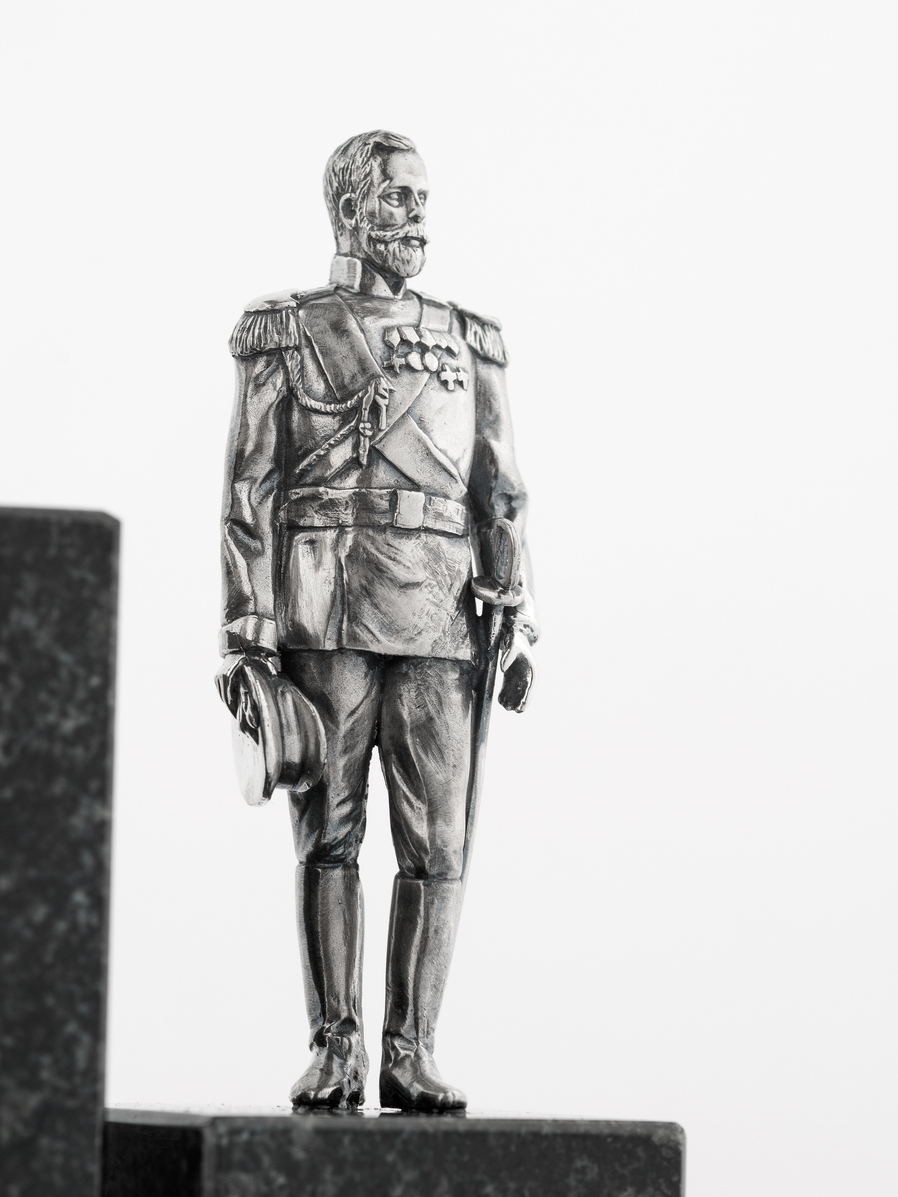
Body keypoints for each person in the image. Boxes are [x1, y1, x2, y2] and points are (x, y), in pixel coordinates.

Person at [217, 130, 538, 1111]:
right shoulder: (286, 331)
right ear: (350, 210)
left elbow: (499, 489)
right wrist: (244, 634)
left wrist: (516, 609)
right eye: (398, 199)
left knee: (437, 845)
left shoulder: (469, 338)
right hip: (327, 604)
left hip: (442, 612)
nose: (416, 217)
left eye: (422, 200)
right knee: (330, 835)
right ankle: (336, 1047)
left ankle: (410, 1049)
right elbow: (250, 489)